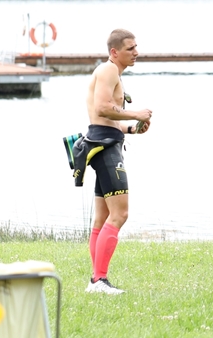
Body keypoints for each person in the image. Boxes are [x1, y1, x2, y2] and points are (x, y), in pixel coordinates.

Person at [81, 28, 152, 295]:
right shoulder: (109, 70)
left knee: (102, 218)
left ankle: (96, 280)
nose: (136, 52)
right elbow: (102, 107)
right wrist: (136, 113)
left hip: (103, 142)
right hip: (106, 149)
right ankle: (99, 280)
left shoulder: (110, 72)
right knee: (120, 214)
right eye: (130, 48)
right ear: (115, 52)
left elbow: (103, 120)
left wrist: (132, 129)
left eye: (136, 47)